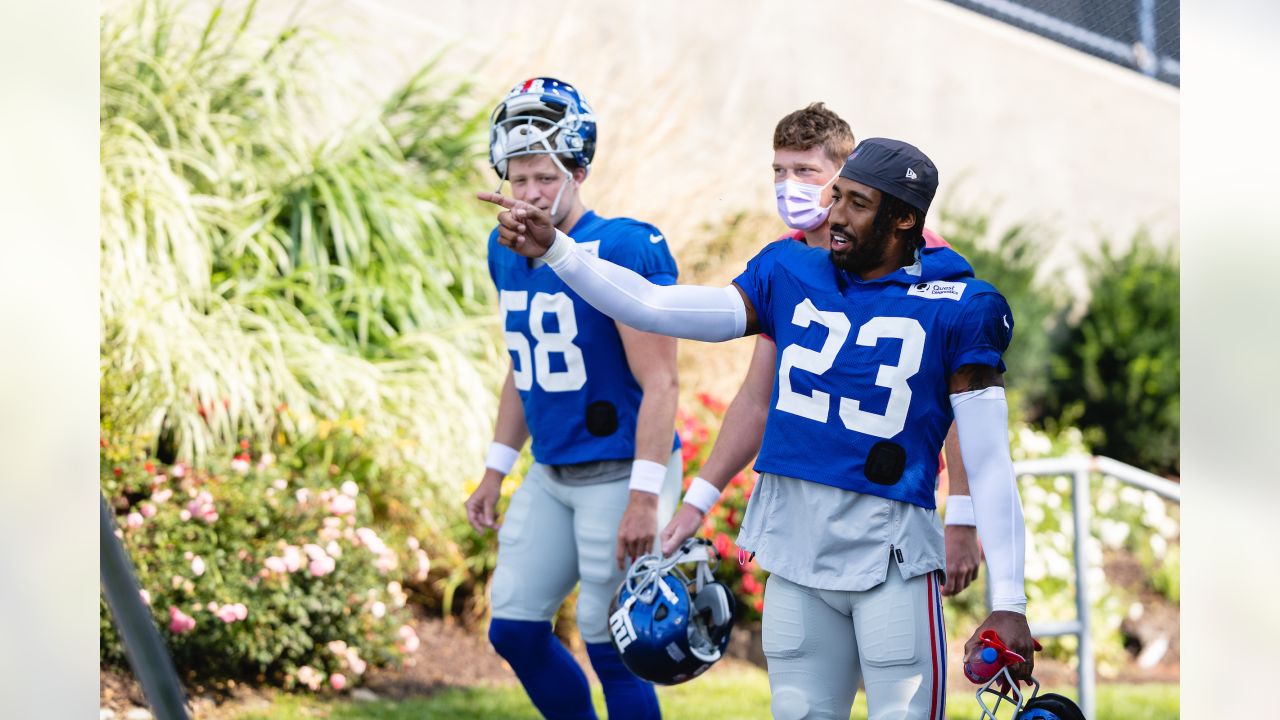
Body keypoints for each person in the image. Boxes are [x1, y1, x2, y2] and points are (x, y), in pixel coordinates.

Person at [478, 136, 1035, 719]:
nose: (835, 215)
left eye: (857, 203)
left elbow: (991, 460)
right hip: (793, 548)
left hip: (889, 550)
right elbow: (656, 306)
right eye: (836, 195)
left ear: (902, 219)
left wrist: (1009, 601)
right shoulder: (786, 271)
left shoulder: (961, 303)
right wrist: (561, 251)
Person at [659, 103, 983, 598]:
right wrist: (697, 502)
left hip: (890, 502)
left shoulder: (923, 261)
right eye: (779, 171)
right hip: (808, 506)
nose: (790, 185)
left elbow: (965, 404)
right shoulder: (787, 263)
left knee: (894, 669)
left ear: (846, 178)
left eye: (806, 171)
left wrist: (962, 511)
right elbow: (756, 398)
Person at [464, 77, 682, 720]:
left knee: (612, 641)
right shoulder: (505, 250)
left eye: (544, 177)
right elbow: (523, 364)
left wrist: (646, 496)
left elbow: (663, 381)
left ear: (579, 170)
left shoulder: (620, 245)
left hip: (622, 469)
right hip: (554, 471)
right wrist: (495, 469)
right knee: (514, 628)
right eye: (518, 177)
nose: (528, 194)